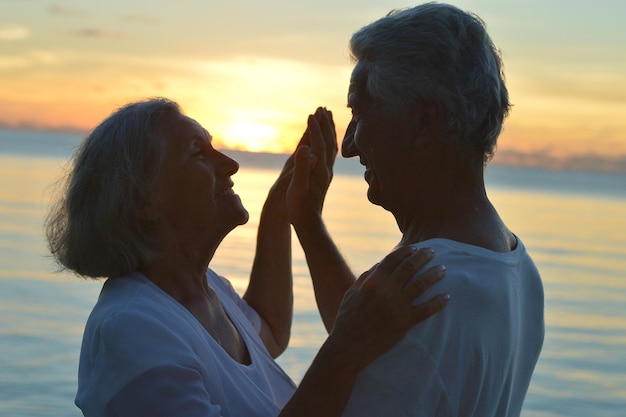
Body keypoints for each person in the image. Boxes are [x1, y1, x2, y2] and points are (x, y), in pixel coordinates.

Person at [45, 98, 449, 417]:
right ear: (144, 200)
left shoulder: (205, 290)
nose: (231, 164)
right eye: (197, 153)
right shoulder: (132, 330)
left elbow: (269, 331)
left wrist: (283, 209)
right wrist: (347, 347)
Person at [291, 3, 545, 417]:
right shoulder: (517, 266)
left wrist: (339, 354)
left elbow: (376, 347)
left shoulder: (427, 287)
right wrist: (306, 221)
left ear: (426, 120)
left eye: (360, 112)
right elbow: (364, 335)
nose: (349, 145)